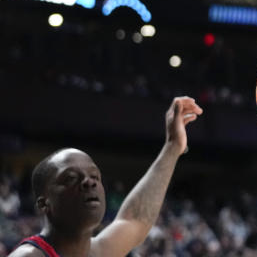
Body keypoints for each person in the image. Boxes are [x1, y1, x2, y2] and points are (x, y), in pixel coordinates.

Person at [11, 96, 203, 257]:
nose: (89, 182)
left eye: (95, 176)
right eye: (70, 178)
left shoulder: (97, 251)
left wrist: (172, 147)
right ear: (43, 204)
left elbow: (135, 219)